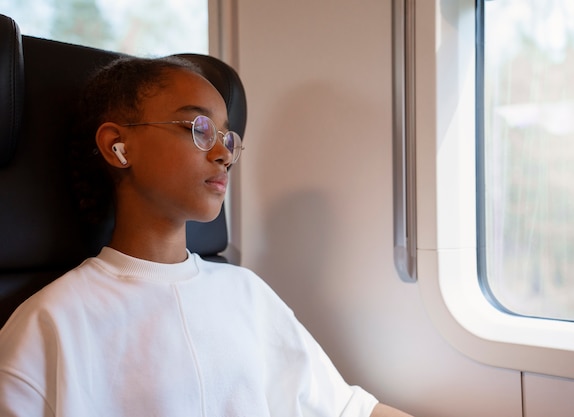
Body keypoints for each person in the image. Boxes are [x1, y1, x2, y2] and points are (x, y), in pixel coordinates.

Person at [0, 56, 413, 417]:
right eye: (197, 127)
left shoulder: (246, 294)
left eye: (227, 136)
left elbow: (349, 410)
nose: (224, 153)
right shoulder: (52, 322)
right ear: (117, 145)